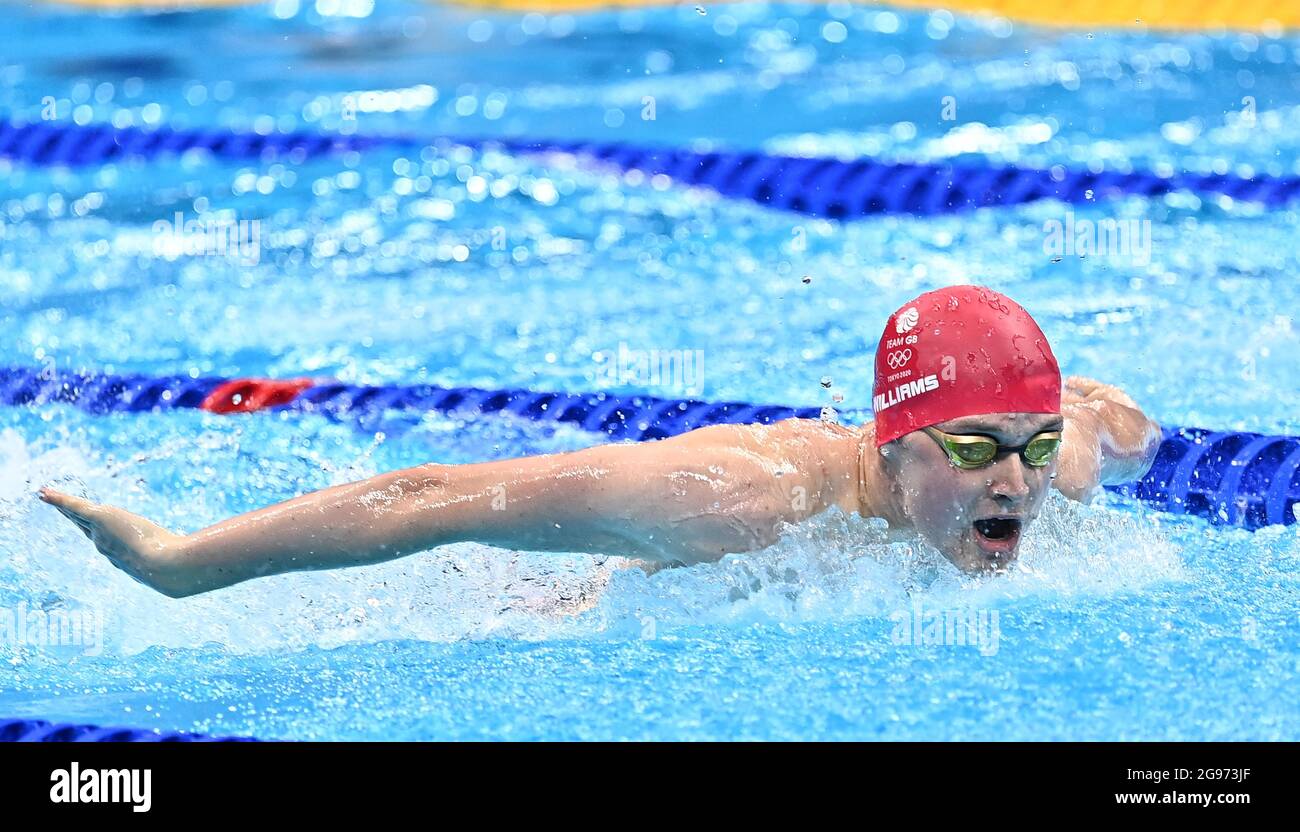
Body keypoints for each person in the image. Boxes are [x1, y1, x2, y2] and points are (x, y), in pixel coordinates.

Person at [39, 285, 1162, 598]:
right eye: (972, 448)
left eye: (1030, 440)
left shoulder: (1047, 465)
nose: (1012, 478)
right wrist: (182, 565)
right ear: (890, 444)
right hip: (575, 601)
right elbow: (432, 493)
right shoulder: (735, 497)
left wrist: (1114, 427)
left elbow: (1118, 426)